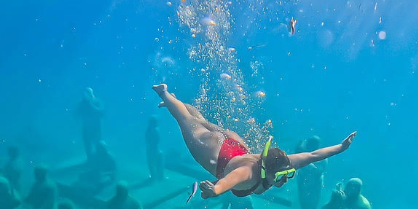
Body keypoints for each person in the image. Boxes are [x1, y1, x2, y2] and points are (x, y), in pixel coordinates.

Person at [152, 83, 356, 199]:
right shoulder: (248, 173)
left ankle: (175, 102)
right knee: (186, 121)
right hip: (216, 153)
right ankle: (164, 92)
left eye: (288, 174)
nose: (285, 179)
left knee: (200, 122)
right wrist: (214, 190)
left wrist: (340, 147)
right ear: (267, 171)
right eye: (282, 176)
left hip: (235, 146)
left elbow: (312, 156)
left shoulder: (281, 163)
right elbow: (227, 182)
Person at [75, 87, 104, 161]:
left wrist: (91, 106)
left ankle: (100, 160)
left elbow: (102, 113)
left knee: (98, 144)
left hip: (96, 128)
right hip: (86, 128)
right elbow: (76, 114)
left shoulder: (97, 101)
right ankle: (90, 160)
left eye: (89, 93)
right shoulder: (82, 103)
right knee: (87, 146)